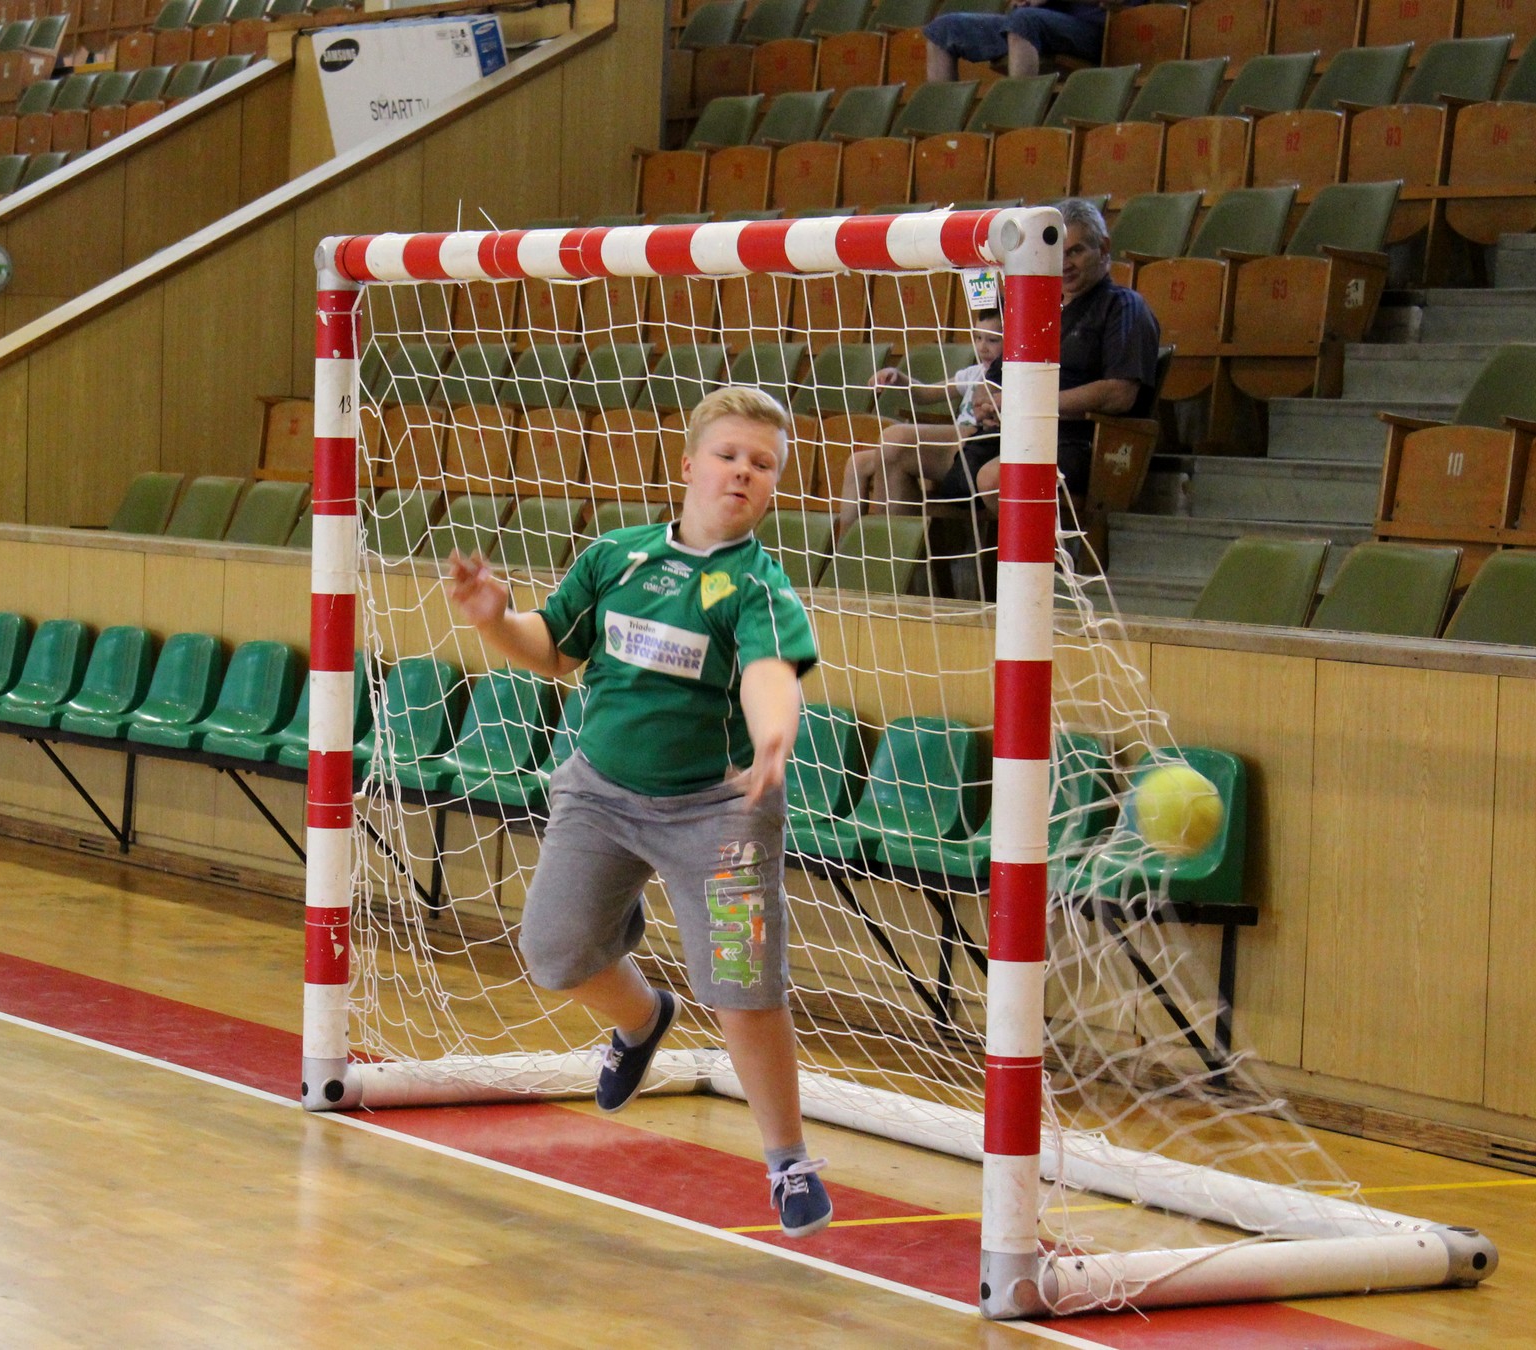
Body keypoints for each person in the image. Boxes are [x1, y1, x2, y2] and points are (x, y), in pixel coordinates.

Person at [445, 385, 833, 1240]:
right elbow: (554, 650)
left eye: (763, 464)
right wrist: (495, 621)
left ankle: (788, 1160)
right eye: (728, 455)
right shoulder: (615, 558)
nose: (743, 471)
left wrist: (775, 731)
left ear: (774, 485)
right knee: (555, 951)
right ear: (689, 464)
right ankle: (642, 1019)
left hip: (722, 812)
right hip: (601, 792)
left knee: (743, 987)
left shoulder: (758, 588)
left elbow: (771, 674)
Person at [968, 196, 1161, 506]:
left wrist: (1027, 405)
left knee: (994, 478)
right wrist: (985, 401)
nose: (1065, 263)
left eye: (1076, 251)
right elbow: (994, 376)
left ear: (1104, 248)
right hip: (1017, 433)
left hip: (1079, 441)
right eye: (1057, 252)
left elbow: (1120, 393)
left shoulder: (1123, 306)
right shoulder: (1042, 311)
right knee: (897, 446)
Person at [837, 309, 1005, 529]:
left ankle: (895, 536)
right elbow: (925, 394)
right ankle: (849, 544)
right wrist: (899, 378)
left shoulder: (1007, 374)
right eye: (978, 338)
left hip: (974, 443)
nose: (983, 347)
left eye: (993, 340)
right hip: (956, 443)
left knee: (895, 441)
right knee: (857, 462)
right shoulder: (973, 373)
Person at [925, 0, 1146, 82]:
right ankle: (943, 140)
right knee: (942, 29)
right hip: (1040, 20)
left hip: (1100, 29)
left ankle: (1019, 126)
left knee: (1023, 22)